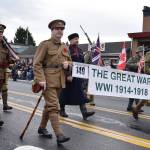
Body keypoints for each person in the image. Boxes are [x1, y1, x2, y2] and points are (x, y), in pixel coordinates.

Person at [33, 19, 71, 144]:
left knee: (48, 106)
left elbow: (71, 62)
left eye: (61, 29)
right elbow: (36, 63)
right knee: (54, 106)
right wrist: (41, 80)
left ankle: (42, 128)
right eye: (57, 29)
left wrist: (68, 65)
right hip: (47, 81)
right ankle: (59, 135)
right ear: (52, 30)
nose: (59, 31)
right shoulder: (45, 45)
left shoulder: (65, 47)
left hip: (60, 80)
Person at [59, 33, 95, 120]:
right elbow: (64, 62)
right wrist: (69, 74)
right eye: (75, 39)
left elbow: (83, 63)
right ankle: (62, 110)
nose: (77, 40)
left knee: (80, 94)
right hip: (69, 76)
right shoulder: (66, 49)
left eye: (77, 38)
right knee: (64, 94)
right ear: (70, 40)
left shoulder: (80, 50)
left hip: (78, 76)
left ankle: (84, 113)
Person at [0, 23, 12, 126]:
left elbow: (8, 59)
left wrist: (11, 61)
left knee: (4, 90)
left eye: (2, 33)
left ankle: (5, 105)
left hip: (2, 74)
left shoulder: (4, 46)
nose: (0, 34)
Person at [132, 48, 150, 120]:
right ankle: (136, 108)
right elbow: (146, 68)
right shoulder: (149, 54)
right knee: (147, 97)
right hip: (148, 78)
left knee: (147, 98)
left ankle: (136, 108)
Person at [126, 46, 144, 112]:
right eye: (141, 52)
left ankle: (130, 107)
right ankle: (137, 107)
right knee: (136, 92)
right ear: (138, 52)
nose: (142, 53)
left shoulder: (143, 59)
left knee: (134, 92)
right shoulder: (133, 58)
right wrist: (137, 65)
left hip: (139, 78)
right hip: (133, 78)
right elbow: (127, 64)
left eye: (143, 52)